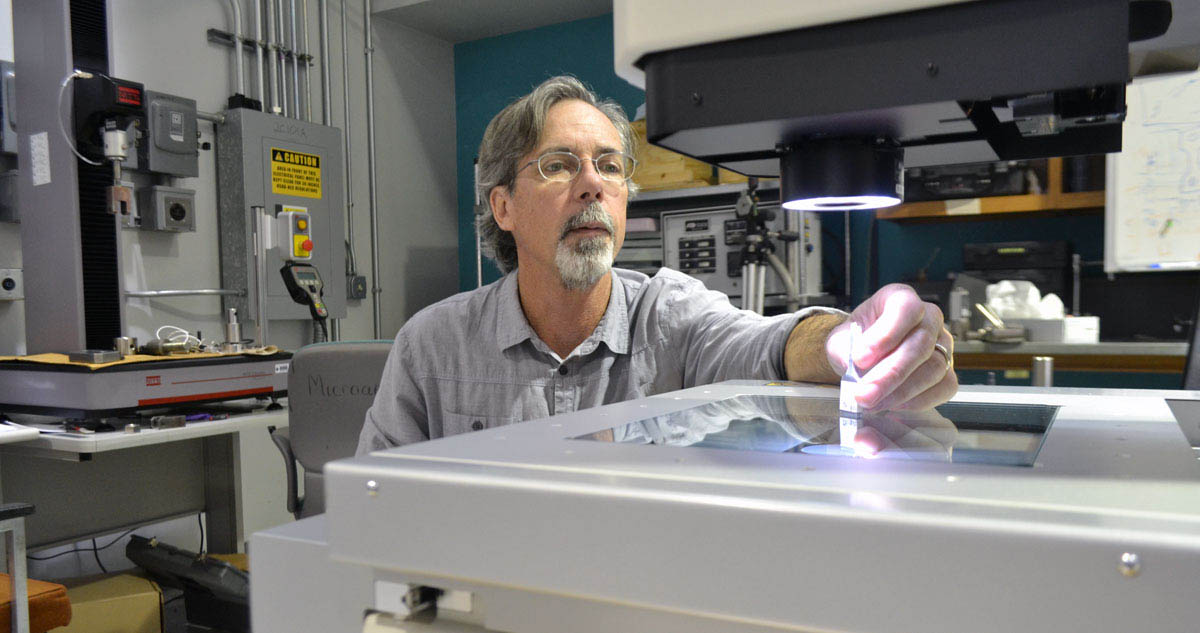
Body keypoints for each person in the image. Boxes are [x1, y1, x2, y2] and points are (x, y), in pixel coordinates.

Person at [356, 75, 957, 454]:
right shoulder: (431, 346)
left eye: (611, 166)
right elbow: (375, 510)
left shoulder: (668, 315)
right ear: (504, 205)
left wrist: (848, 339)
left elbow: (763, 346)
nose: (593, 183)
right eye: (560, 164)